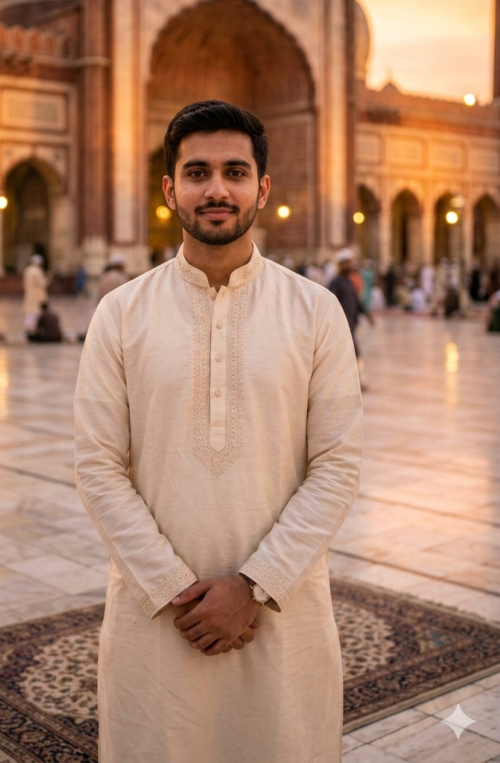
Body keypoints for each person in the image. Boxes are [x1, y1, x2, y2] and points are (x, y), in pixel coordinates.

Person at [75, 99, 363, 763]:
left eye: (235, 172)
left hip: (283, 619)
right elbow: (97, 466)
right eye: (197, 172)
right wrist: (180, 588)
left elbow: (337, 466)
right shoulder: (121, 314)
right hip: (158, 620)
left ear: (262, 188)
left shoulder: (314, 312)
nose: (216, 189)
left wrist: (253, 585)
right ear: (170, 188)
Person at [328, 248, 374, 388]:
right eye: (346, 263)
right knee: (350, 353)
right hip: (341, 326)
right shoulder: (335, 283)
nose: (349, 266)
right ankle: (349, 383)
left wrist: (367, 314)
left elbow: (356, 301)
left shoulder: (349, 282)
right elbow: (331, 304)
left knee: (354, 353)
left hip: (352, 324)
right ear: (340, 265)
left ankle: (354, 382)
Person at [22, 254, 48, 334]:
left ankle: (28, 327)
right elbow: (42, 283)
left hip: (29, 293)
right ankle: (33, 328)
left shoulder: (27, 270)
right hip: (36, 294)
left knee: (29, 311)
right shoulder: (37, 271)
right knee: (35, 311)